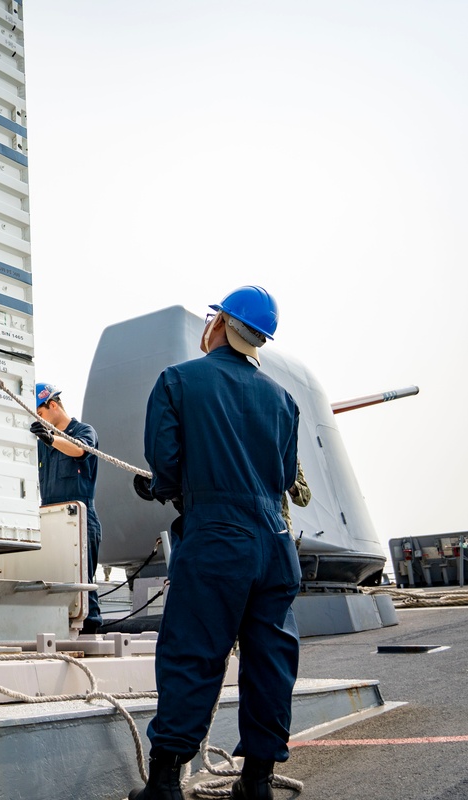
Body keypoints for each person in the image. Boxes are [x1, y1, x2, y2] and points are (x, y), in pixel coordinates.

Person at [131, 286, 300, 800]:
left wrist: (161, 486)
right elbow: (286, 473)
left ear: (222, 321)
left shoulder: (179, 380)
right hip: (275, 542)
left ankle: (164, 784)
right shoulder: (283, 398)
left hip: (216, 538)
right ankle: (257, 782)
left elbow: (166, 464)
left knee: (193, 652)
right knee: (271, 659)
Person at [30, 382, 103, 635]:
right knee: (52, 586)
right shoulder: (41, 443)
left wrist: (51, 438)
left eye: (39, 414)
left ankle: (90, 637)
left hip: (80, 520)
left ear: (52, 405)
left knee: (83, 589)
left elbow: (80, 449)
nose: (39, 421)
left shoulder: (83, 431)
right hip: (51, 521)